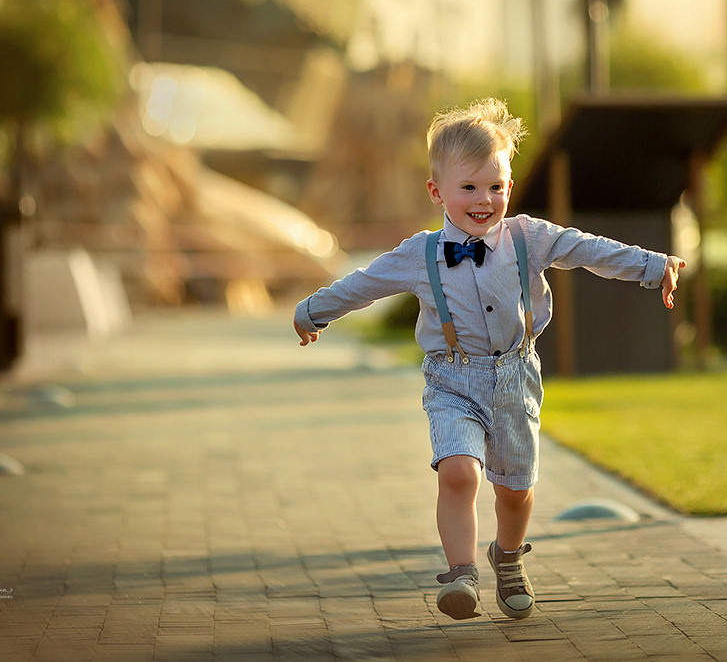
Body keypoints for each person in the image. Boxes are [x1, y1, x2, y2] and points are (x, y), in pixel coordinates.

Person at [293, 98, 685, 621]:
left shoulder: (528, 237)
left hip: (515, 378)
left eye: (496, 186)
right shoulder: (421, 254)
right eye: (469, 188)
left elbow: (587, 248)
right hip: (452, 380)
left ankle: (507, 558)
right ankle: (461, 574)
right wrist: (313, 311)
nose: (485, 200)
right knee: (458, 472)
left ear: (509, 185)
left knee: (516, 492)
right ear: (437, 192)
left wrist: (652, 265)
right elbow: (364, 285)